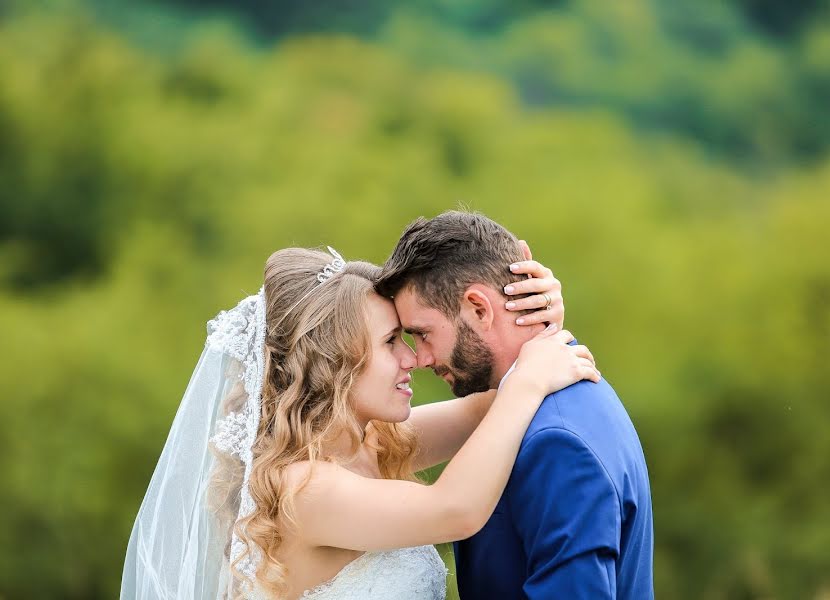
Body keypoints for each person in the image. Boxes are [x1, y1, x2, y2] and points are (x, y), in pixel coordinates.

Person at [121, 244, 599, 599]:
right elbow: (456, 510)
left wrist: (532, 320)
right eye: (391, 341)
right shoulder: (301, 489)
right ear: (334, 363)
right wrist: (529, 381)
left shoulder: (369, 443)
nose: (412, 358)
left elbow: (492, 404)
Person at [375, 211, 655, 599]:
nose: (420, 358)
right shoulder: (538, 402)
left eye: (422, 334)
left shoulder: (557, 441)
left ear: (479, 308)